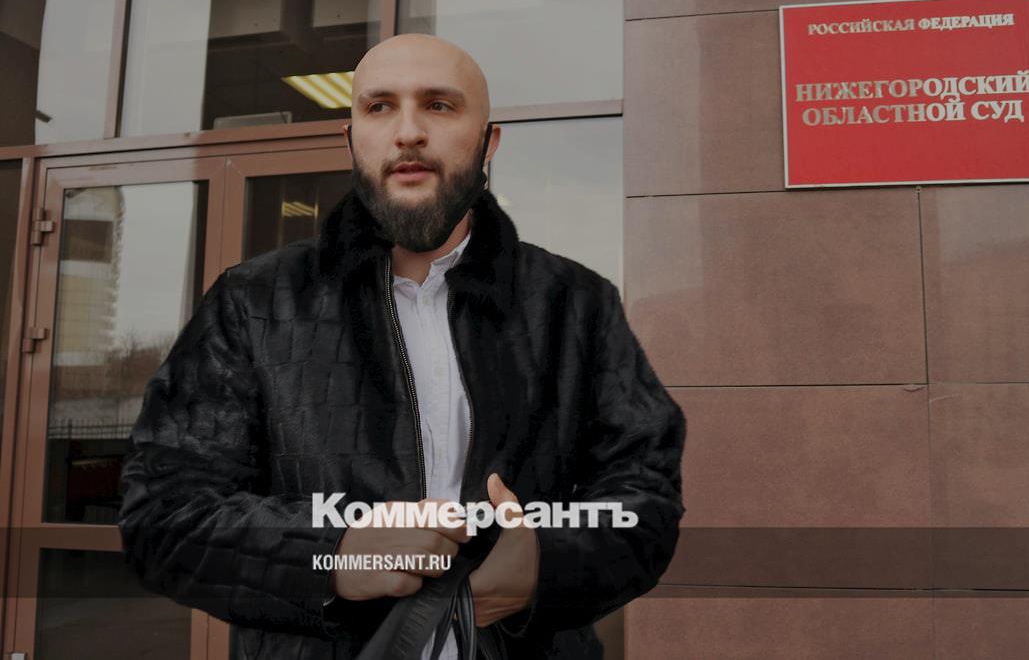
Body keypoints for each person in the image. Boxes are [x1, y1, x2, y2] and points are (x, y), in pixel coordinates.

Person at [117, 34, 686, 659]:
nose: (408, 132)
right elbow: (163, 515)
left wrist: (546, 568)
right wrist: (332, 554)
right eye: (379, 107)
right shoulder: (253, 302)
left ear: (489, 141)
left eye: (439, 105)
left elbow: (645, 499)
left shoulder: (577, 304)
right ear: (351, 139)